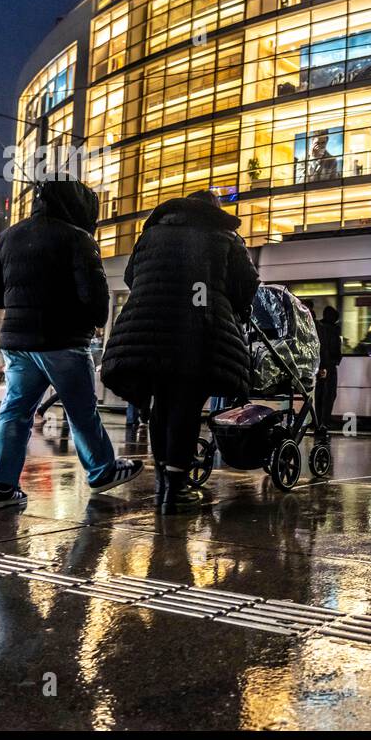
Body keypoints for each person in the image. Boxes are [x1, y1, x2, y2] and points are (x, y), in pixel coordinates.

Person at [0, 177, 143, 510]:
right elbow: (95, 296)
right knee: (81, 410)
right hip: (63, 340)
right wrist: (94, 320)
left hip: (17, 341)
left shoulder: (8, 236)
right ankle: (102, 470)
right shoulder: (78, 238)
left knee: (14, 412)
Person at [102, 189, 259, 513]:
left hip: (150, 329)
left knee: (161, 405)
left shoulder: (152, 234)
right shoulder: (224, 237)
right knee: (186, 406)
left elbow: (133, 276)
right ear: (214, 211)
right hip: (198, 331)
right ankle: (175, 492)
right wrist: (227, 306)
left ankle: (164, 483)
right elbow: (246, 285)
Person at [315, 305, 342, 429]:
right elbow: (331, 348)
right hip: (328, 366)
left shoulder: (318, 327)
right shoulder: (332, 329)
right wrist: (332, 362)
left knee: (320, 394)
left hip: (321, 365)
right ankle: (324, 422)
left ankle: (319, 420)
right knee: (329, 394)